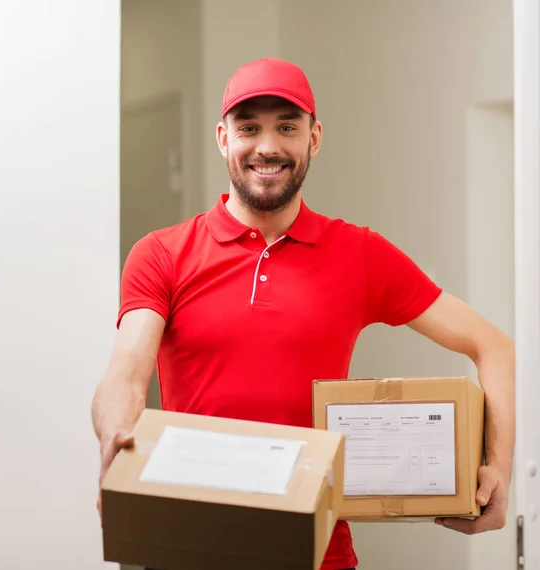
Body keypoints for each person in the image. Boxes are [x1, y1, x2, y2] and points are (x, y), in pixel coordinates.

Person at [91, 58, 515, 570]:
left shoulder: (359, 253)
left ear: (314, 138)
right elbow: (126, 373)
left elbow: (493, 346)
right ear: (222, 138)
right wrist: (115, 436)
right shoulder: (162, 253)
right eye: (249, 127)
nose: (267, 146)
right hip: (189, 549)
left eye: (286, 127)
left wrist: (497, 468)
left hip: (319, 556)